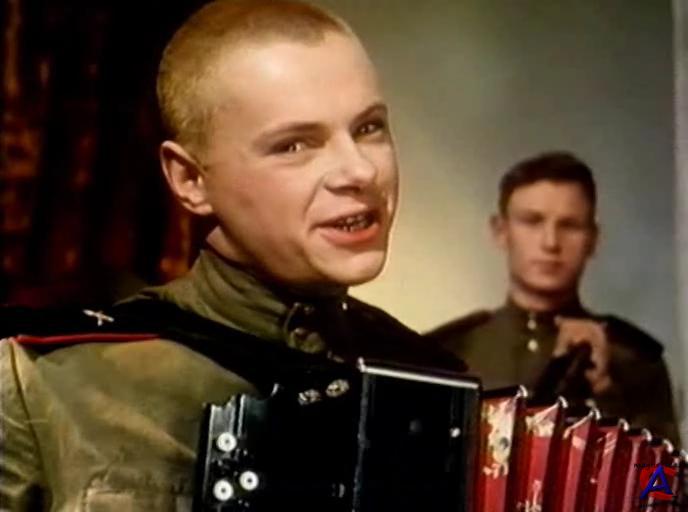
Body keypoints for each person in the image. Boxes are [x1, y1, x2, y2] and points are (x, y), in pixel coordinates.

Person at [0, 2, 461, 510]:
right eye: (295, 145)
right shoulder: (46, 380)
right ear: (190, 180)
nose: (359, 171)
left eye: (368, 128)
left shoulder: (434, 381)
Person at [426, 151, 679, 443]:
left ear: (593, 239)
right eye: (532, 221)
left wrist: (607, 391)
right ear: (500, 231)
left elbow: (660, 474)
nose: (550, 243)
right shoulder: (448, 354)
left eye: (569, 225)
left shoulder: (634, 361)